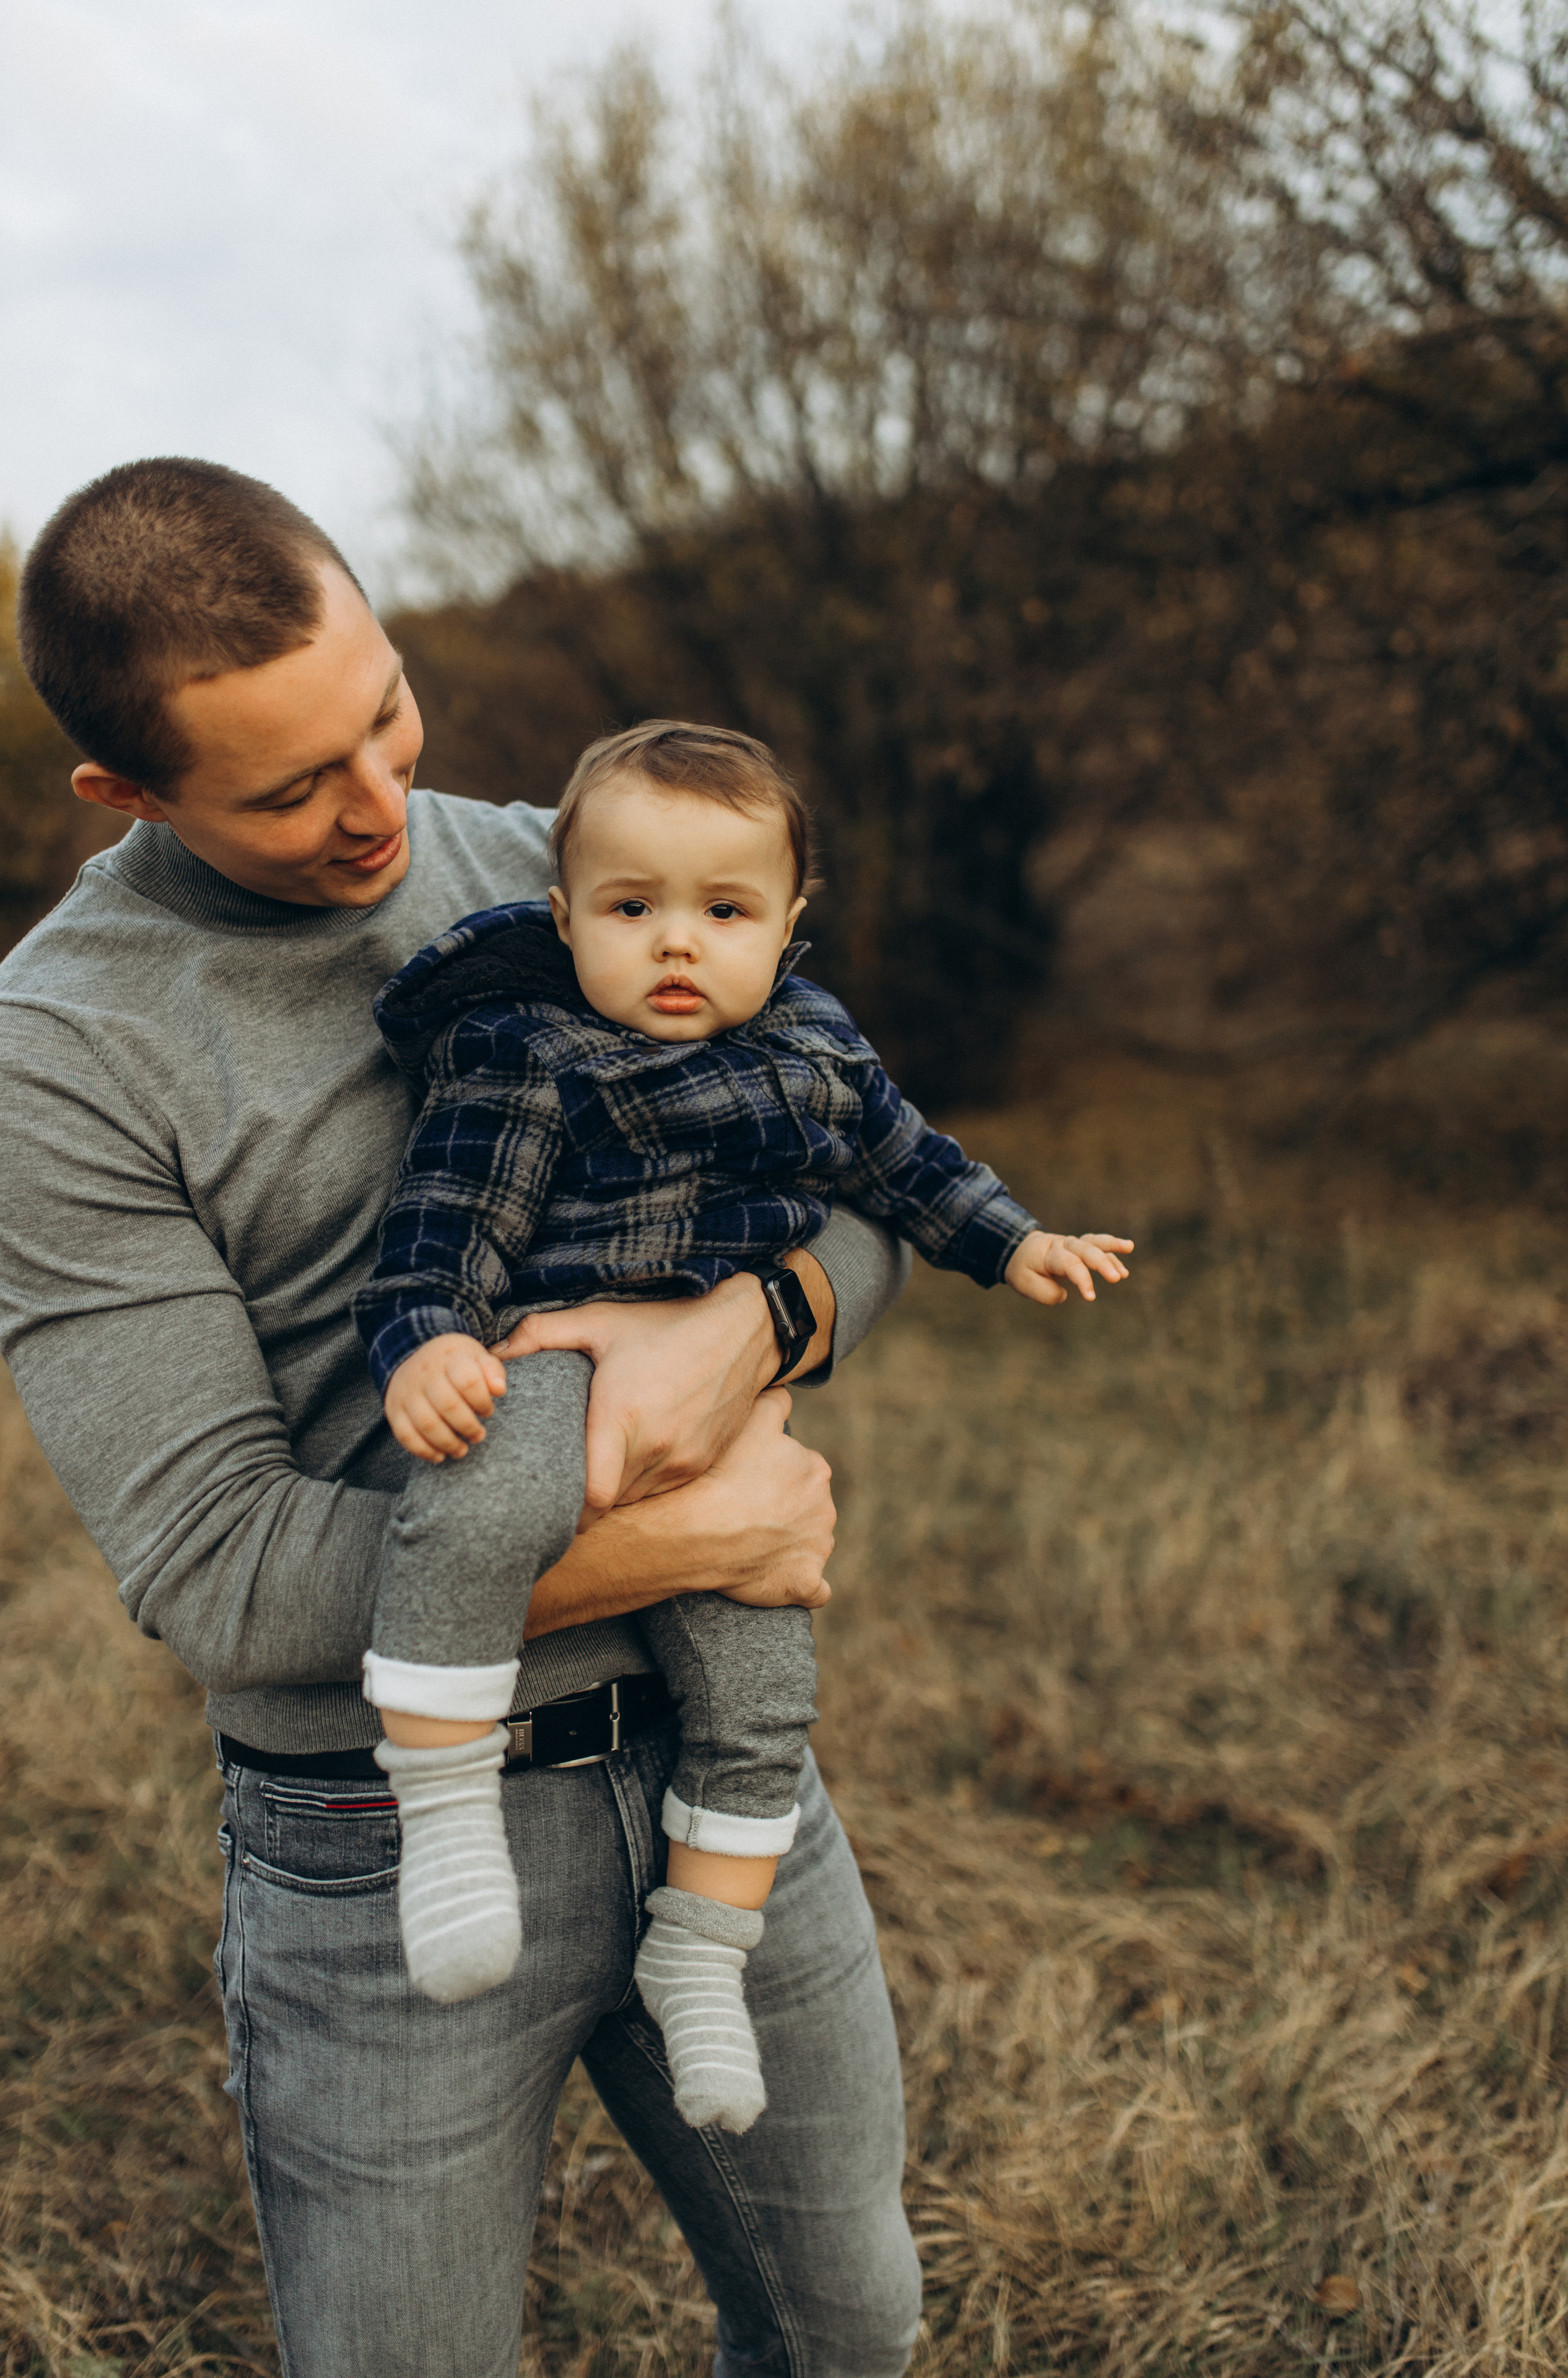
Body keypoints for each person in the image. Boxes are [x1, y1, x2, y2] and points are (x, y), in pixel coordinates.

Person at [0, 458, 924, 2378]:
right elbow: (229, 1581)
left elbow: (862, 1173)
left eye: (387, 710)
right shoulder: (60, 1057)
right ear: (128, 792)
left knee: (855, 2328)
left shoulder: (556, 858)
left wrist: (758, 1325)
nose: (379, 807)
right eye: (289, 787)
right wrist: (692, 1533)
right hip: (371, 1840)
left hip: (711, 1769)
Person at [352, 718, 1133, 2141]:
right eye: (630, 908)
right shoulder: (522, 1050)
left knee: (760, 1668)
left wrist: (1011, 1241)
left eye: (723, 913)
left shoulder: (818, 1046)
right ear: (563, 916)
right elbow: (440, 1228)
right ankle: (448, 1824)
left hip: (725, 1408)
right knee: (469, 1506)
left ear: (788, 926)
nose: (674, 946)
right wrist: (426, 1348)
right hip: (546, 1354)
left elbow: (906, 1165)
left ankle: (700, 1952)